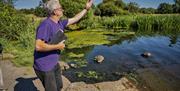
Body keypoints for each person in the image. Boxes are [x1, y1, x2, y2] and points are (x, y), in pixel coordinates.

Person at [33, 0, 93, 91]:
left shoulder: (60, 23)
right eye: (61, 8)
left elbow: (75, 18)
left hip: (54, 63)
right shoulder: (46, 25)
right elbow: (38, 46)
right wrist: (58, 46)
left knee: (59, 86)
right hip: (44, 65)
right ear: (55, 11)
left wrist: (86, 9)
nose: (63, 10)